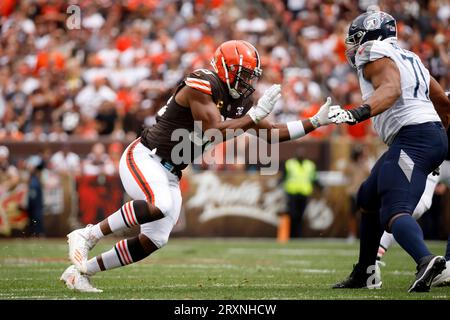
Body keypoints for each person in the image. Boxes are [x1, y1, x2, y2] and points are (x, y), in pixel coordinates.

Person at [60, 40, 339, 292]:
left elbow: (272, 132)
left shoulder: (241, 101)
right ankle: (87, 234)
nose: (246, 84)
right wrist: (253, 116)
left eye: (249, 77)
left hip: (172, 170)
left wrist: (314, 122)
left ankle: (80, 272)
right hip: (146, 156)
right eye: (241, 75)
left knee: (154, 240)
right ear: (224, 69)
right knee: (160, 205)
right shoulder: (201, 83)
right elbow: (213, 129)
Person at [329, 8, 450, 292]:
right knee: (367, 197)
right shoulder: (411, 57)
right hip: (424, 136)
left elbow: (392, 89)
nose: (353, 45)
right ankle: (365, 272)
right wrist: (436, 143)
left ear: (372, 35)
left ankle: (425, 260)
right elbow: (443, 103)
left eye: (356, 38)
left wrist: (358, 113)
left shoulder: (372, 51)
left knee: (394, 211)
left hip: (414, 136)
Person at [282, 147, 317, 238]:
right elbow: (284, 177)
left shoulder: (310, 165)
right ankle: (291, 235)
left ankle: (299, 235)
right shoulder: (289, 164)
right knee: (293, 214)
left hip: (304, 193)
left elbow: (314, 178)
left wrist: (321, 186)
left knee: (301, 215)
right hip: (292, 192)